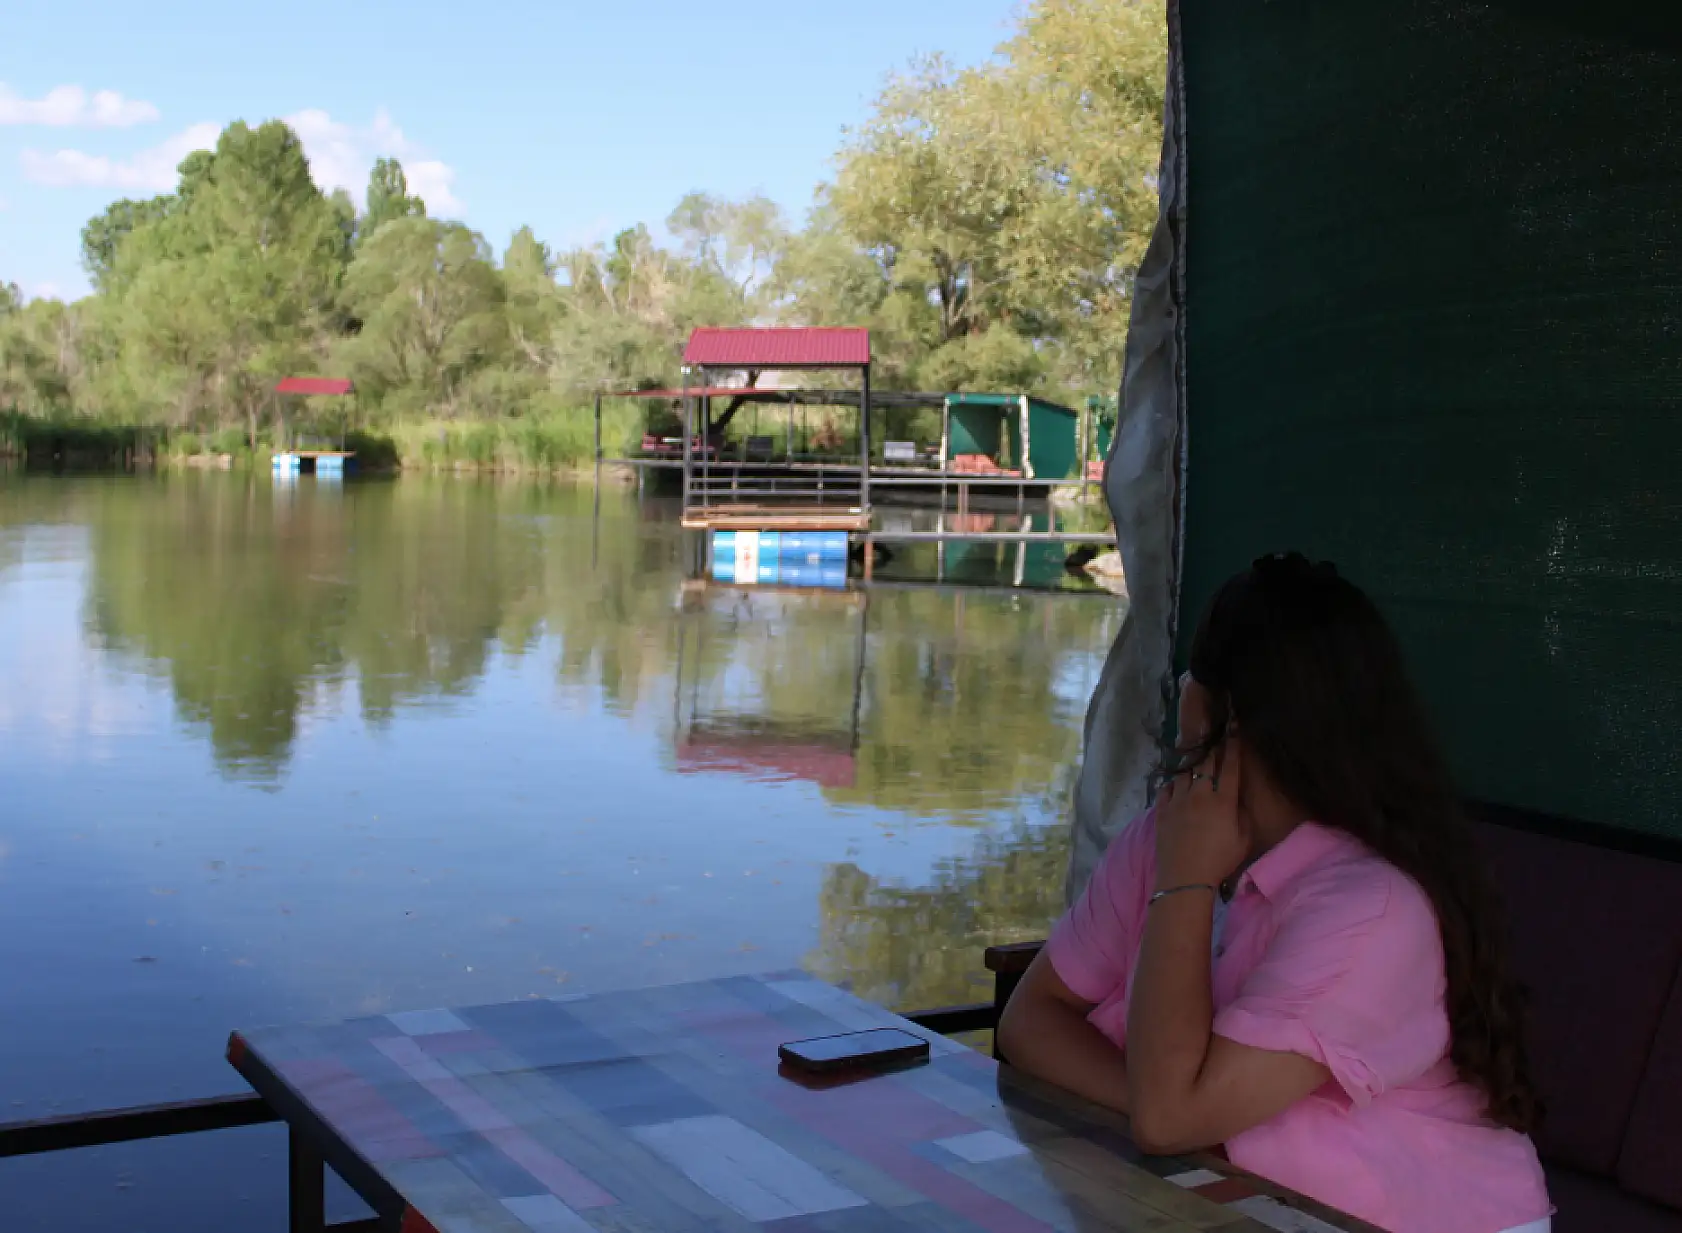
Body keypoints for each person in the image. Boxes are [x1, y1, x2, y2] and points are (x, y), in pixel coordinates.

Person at [998, 553, 1552, 1233]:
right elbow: (1031, 1020)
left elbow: (1169, 1116)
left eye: (1194, 683)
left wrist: (1186, 884)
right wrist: (1158, 1107)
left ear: (1220, 715)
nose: (1181, 697)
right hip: (1224, 1195)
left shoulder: (1372, 910)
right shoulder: (1171, 834)